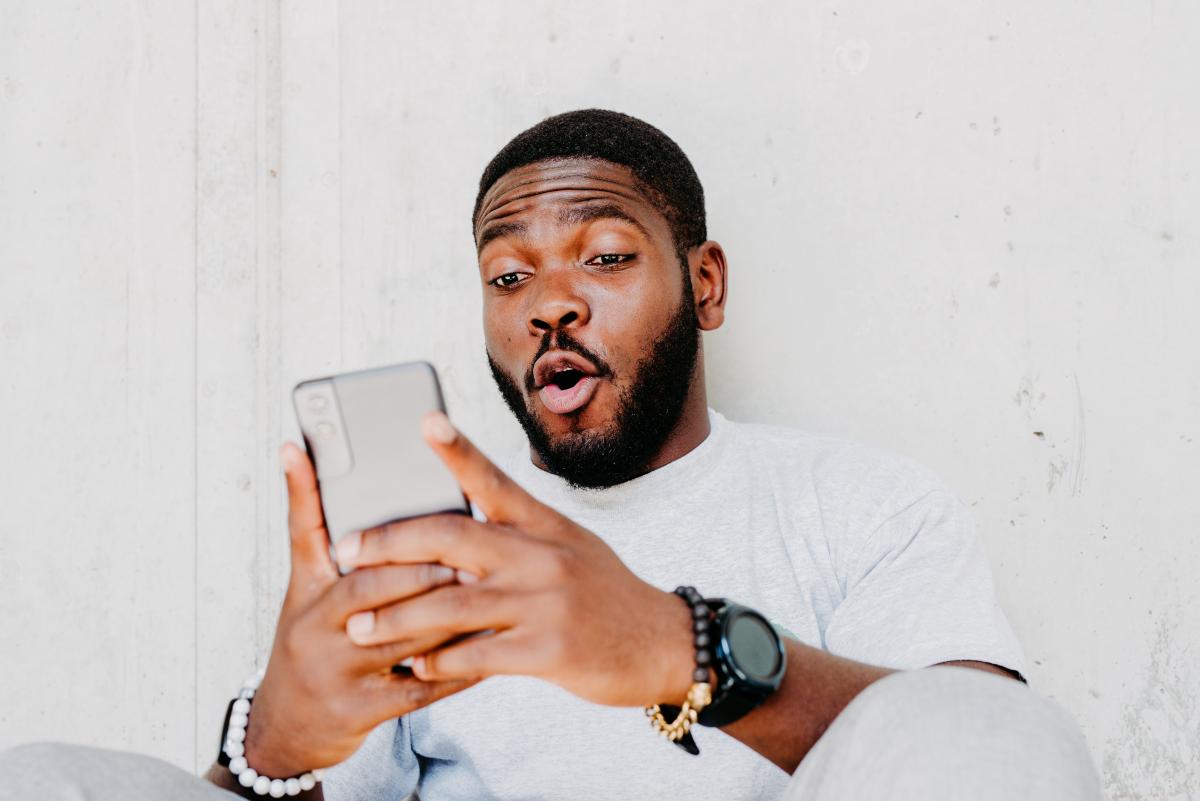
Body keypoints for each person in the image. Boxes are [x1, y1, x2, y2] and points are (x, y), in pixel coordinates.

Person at [0, 109, 1101, 801]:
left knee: (987, 727)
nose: (549, 305)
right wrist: (275, 743)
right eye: (508, 276)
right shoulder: (429, 547)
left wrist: (680, 651)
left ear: (705, 284)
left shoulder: (861, 503)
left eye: (604, 256)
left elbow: (987, 751)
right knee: (40, 781)